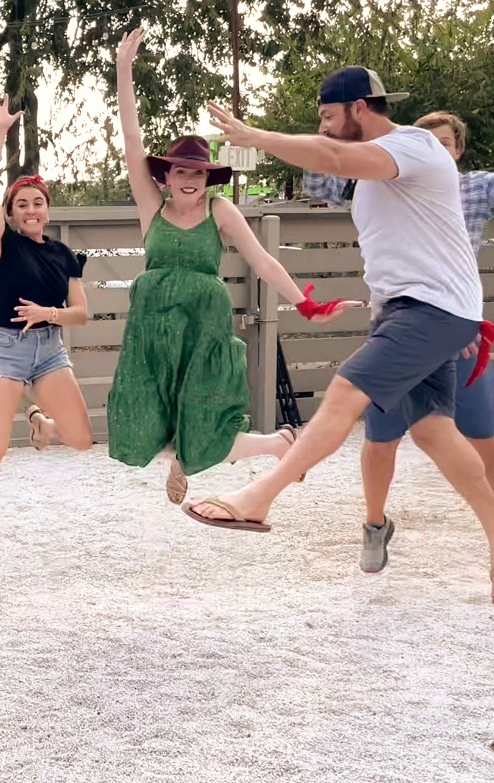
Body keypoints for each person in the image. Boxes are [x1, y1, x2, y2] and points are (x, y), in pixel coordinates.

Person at [188, 66, 494, 605]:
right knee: (433, 431)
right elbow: (367, 208)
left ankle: (259, 497)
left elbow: (333, 156)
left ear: (360, 109)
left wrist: (254, 137)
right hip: (416, 313)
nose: (323, 127)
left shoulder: (415, 145)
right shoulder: (374, 178)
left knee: (345, 392)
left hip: (430, 311)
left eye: (328, 116)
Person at [108, 29, 354, 505]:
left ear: (208, 178)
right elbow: (131, 137)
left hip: (203, 332)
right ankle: (224, 452)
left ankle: (259, 446)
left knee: (205, 425)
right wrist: (124, 69)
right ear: (166, 176)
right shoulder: (151, 207)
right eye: (181, 171)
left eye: (198, 173)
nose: (190, 179)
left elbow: (263, 261)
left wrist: (306, 305)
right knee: (140, 421)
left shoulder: (219, 211)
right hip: (153, 334)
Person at [304, 109, 494, 570]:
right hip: (404, 325)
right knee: (382, 434)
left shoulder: (476, 188)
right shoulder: (383, 179)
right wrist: (329, 126)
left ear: (457, 151)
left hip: (456, 327)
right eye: (424, 141)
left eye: (443, 143)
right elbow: (321, 183)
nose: (432, 149)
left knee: (483, 429)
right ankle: (374, 524)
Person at [0, 94, 93, 491]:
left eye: (38, 203)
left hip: (50, 350)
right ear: (11, 214)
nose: (31, 209)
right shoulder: (3, 245)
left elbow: (81, 313)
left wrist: (47, 313)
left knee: (81, 440)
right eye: (21, 205)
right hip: (5, 349)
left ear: (47, 210)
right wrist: (0, 131)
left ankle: (42, 423)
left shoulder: (63, 254)